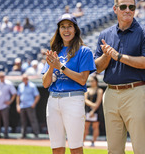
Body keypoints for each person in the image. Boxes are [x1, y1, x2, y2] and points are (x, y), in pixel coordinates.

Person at [94, 0, 145, 154]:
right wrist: (107, 56)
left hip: (136, 91)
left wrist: (119, 56)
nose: (128, 10)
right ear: (115, 9)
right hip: (111, 93)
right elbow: (98, 68)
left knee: (140, 147)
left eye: (132, 7)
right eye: (123, 6)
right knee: (114, 149)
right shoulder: (105, 35)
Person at [41, 13, 96, 154]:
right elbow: (45, 84)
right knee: (57, 148)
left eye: (69, 26)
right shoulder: (55, 51)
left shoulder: (84, 51)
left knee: (75, 148)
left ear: (75, 29)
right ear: (58, 30)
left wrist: (61, 66)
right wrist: (52, 66)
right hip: (53, 100)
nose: (66, 30)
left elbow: (82, 79)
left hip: (73, 99)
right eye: (63, 27)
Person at [0, 72, 17, 138]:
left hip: (5, 106)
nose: (1, 78)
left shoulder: (9, 83)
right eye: (0, 76)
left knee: (5, 121)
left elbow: (14, 93)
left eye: (2, 76)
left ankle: (6, 134)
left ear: (4, 77)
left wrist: (10, 101)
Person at [16, 74, 40, 139]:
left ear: (28, 79)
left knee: (33, 120)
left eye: (26, 78)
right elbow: (18, 96)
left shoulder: (32, 86)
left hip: (30, 106)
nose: (25, 80)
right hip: (22, 106)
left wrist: (34, 103)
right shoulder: (20, 86)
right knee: (23, 121)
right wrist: (18, 105)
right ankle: (23, 135)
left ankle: (36, 134)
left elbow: (37, 96)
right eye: (24, 79)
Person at [84, 75, 103, 147]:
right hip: (88, 110)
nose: (91, 82)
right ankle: (82, 141)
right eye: (90, 81)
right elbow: (85, 100)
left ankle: (93, 142)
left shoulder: (99, 90)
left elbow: (98, 102)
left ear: (96, 81)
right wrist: (92, 105)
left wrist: (93, 110)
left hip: (96, 111)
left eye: (92, 81)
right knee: (85, 127)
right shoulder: (87, 90)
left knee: (95, 127)